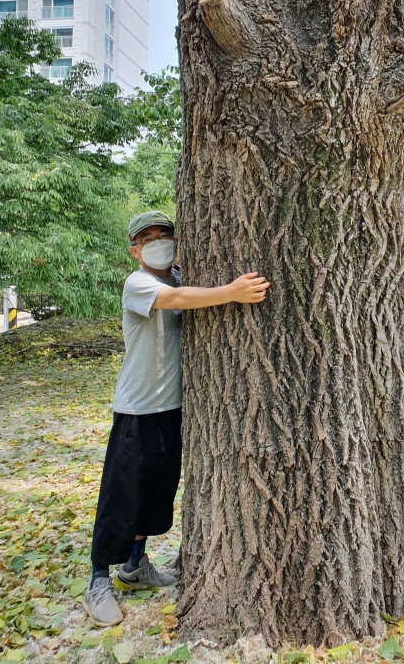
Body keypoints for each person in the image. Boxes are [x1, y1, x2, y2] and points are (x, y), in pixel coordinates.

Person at [83, 211, 270, 627]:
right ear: (135, 250)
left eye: (164, 234)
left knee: (156, 491)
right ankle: (98, 581)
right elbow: (175, 301)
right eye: (147, 238)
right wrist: (232, 291)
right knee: (121, 494)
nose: (157, 242)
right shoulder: (139, 283)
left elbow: (184, 291)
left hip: (174, 407)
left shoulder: (182, 275)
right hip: (137, 408)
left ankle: (134, 566)